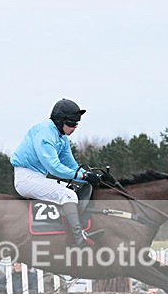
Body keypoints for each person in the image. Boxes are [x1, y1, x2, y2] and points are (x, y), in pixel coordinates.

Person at [10, 98, 102, 248]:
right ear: (60, 121)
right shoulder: (46, 134)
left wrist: (94, 177)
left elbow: (72, 166)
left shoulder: (62, 138)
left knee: (74, 190)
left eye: (77, 122)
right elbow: (54, 167)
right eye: (72, 123)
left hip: (37, 177)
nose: (75, 126)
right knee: (68, 195)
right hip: (26, 178)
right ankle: (77, 239)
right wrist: (83, 176)